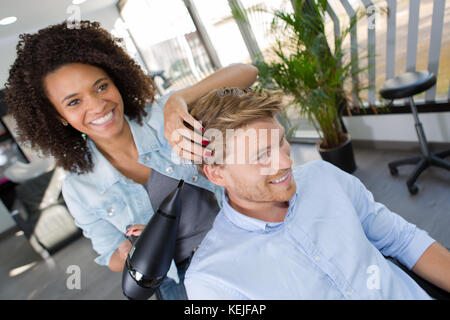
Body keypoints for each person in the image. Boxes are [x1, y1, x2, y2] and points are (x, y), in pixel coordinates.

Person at [4, 21, 258, 300]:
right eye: (74, 102)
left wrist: (178, 100)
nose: (97, 105)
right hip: (179, 281)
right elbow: (110, 254)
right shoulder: (79, 188)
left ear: (116, 81)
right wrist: (130, 250)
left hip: (242, 240)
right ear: (58, 117)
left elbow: (246, 72)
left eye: (101, 87)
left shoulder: (163, 116)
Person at [183, 87, 450, 299]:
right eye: (262, 156)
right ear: (217, 173)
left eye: (280, 142)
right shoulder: (212, 281)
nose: (285, 162)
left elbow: (401, 239)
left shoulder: (324, 178)